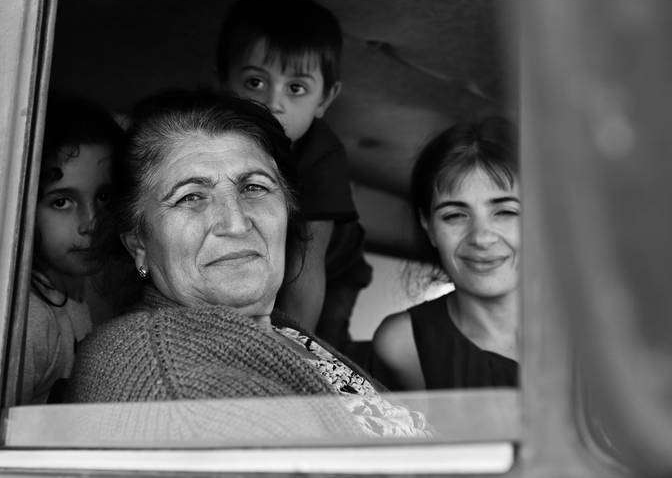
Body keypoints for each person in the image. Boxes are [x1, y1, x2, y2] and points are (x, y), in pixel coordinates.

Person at [65, 90, 430, 438]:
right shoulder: (176, 386)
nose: (236, 223)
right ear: (138, 243)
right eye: (191, 197)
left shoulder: (277, 330)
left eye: (253, 187)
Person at [216, 0, 372, 353]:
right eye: (255, 82)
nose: (272, 102)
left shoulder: (322, 156)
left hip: (332, 268)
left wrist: (295, 348)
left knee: (322, 347)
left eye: (296, 88)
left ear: (325, 99)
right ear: (223, 81)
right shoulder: (209, 137)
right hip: (274, 254)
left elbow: (307, 264)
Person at [372, 117, 520, 390]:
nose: (481, 237)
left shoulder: (608, 326)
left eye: (506, 212)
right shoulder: (404, 345)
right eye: (454, 215)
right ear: (428, 226)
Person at [21, 95, 125, 404]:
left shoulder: (81, 299)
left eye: (104, 197)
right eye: (62, 202)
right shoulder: (31, 321)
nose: (90, 222)